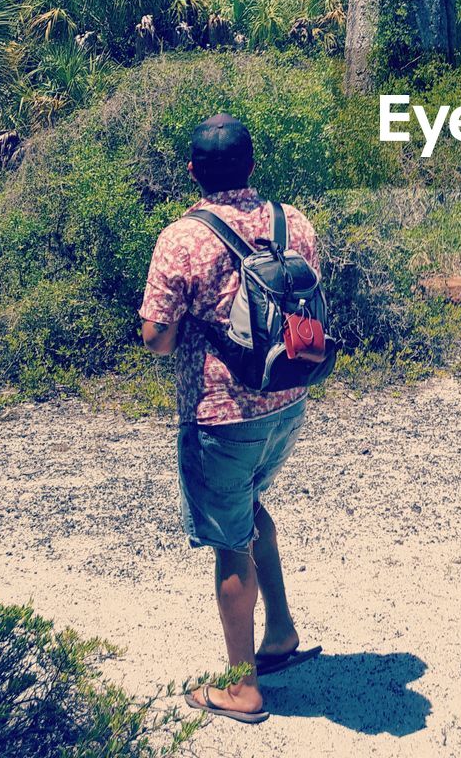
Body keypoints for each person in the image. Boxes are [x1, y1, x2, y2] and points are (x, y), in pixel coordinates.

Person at [139, 113, 324, 724]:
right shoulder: (293, 221)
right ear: (251, 164)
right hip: (288, 401)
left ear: (193, 170)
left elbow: (158, 341)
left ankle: (242, 688)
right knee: (248, 509)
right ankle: (282, 635)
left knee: (227, 542)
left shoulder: (182, 238)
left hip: (221, 414)